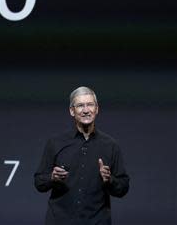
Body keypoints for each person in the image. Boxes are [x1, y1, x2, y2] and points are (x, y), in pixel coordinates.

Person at [34, 86, 129, 225]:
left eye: (90, 105)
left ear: (97, 109)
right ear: (72, 111)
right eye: (80, 106)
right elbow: (39, 182)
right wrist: (51, 178)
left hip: (97, 221)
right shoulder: (55, 143)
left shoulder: (110, 145)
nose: (86, 110)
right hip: (60, 220)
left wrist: (110, 180)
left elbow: (123, 187)